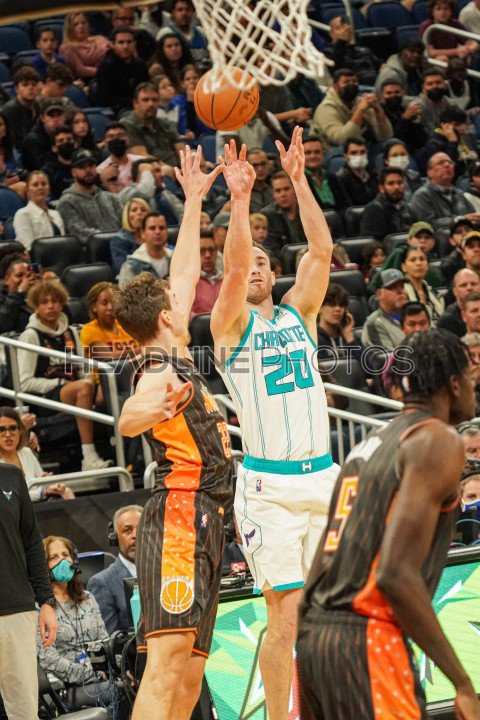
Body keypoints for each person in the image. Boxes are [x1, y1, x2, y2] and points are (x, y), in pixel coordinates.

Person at [212, 128, 339, 720]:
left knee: (334, 610)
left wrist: (298, 179)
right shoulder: (230, 327)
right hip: (270, 488)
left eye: (265, 261)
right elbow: (234, 267)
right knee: (283, 614)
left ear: (276, 272)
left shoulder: (299, 314)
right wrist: (239, 201)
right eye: (249, 263)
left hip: (325, 478)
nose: (255, 268)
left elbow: (322, 250)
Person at [297, 328, 480, 720]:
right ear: (453, 383)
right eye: (470, 377)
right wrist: (463, 683)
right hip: (368, 637)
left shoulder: (366, 446)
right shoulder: (438, 440)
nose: (472, 388)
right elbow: (395, 574)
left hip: (316, 637)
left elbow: (317, 572)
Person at [114, 146, 233, 719]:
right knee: (165, 666)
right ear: (166, 317)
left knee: (189, 673)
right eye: (175, 303)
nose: (183, 298)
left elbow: (182, 270)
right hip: (180, 515)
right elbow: (127, 417)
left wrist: (193, 202)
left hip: (208, 516)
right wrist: (151, 408)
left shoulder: (175, 350)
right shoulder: (158, 369)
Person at [18, 279, 112, 471]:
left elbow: (84, 368)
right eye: (44, 302)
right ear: (35, 306)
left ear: (62, 303)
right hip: (45, 397)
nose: (50, 306)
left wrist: (89, 379)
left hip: (75, 390)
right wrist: (59, 382)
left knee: (105, 385)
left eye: (55, 301)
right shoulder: (31, 336)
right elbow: (24, 382)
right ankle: (89, 457)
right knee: (84, 387)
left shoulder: (71, 332)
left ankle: (123, 453)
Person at [39, 535, 125, 713]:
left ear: (74, 560)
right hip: (63, 689)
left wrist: (119, 667)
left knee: (133, 682)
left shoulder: (87, 598)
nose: (62, 561)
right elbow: (49, 660)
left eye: (65, 555)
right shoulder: (41, 609)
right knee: (121, 691)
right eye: (54, 557)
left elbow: (103, 641)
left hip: (98, 679)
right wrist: (93, 674)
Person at [0, 462, 57, 719]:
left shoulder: (11, 476)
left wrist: (46, 600)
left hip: (16, 609)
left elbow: (32, 541)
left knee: (24, 711)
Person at [0, 405, 75, 502]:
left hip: (35, 505)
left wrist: (50, 483)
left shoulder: (26, 452)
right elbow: (9, 498)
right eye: (1, 430)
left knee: (65, 492)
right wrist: (43, 492)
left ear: (20, 431)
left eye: (13, 428)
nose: (8, 434)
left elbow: (42, 484)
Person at [88, 505, 143, 633]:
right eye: (127, 530)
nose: (135, 535)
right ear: (115, 538)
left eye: (141, 528)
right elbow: (111, 639)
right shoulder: (101, 582)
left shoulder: (163, 573)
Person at [311, 68, 392, 152]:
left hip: (360, 148)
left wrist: (378, 109)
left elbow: (386, 136)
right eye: (346, 82)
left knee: (390, 145)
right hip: (331, 151)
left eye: (354, 81)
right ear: (335, 86)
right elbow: (342, 140)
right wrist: (359, 111)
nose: (351, 85)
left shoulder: (361, 102)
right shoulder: (326, 108)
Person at [57, 149, 122, 245]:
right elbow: (80, 232)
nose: (88, 170)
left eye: (91, 165)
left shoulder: (110, 198)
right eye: (82, 167)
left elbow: (125, 224)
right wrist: (117, 238)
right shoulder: (67, 202)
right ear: (73, 172)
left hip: (120, 247)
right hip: (91, 251)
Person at [121, 82, 184, 171]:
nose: (151, 104)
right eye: (145, 100)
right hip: (155, 172)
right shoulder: (127, 125)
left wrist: (190, 164)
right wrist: (173, 171)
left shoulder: (165, 123)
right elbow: (141, 156)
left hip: (178, 171)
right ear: (135, 103)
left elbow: (181, 149)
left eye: (154, 100)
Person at [410, 152, 476, 224]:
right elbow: (428, 223)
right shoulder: (421, 196)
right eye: (441, 163)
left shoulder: (459, 193)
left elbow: (472, 215)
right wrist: (460, 220)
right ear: (430, 172)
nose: (447, 165)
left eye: (450, 162)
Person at [95, 26, 149, 114]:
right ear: (113, 44)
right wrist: (134, 102)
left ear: (134, 43)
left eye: (129, 42)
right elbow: (105, 99)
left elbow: (147, 89)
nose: (125, 46)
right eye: (121, 42)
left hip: (141, 107)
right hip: (118, 112)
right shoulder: (106, 67)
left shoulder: (141, 65)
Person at [361, 268, 407, 362]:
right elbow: (389, 362)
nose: (400, 291)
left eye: (402, 286)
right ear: (379, 294)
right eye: (392, 288)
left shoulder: (417, 314)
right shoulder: (374, 324)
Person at [13, 171, 65, 252]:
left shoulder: (56, 214)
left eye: (44, 184)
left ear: (49, 188)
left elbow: (64, 242)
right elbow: (28, 247)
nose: (40, 187)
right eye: (35, 185)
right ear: (27, 189)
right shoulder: (22, 214)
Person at [118, 211, 172, 287]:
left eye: (162, 228)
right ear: (142, 233)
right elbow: (124, 294)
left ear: (167, 232)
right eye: (152, 228)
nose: (157, 232)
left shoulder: (175, 259)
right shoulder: (130, 267)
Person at [323, 15, 380, 86]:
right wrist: (342, 41)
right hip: (354, 87)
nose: (345, 30)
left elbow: (381, 66)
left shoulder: (364, 50)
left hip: (376, 85)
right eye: (339, 28)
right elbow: (334, 69)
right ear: (331, 34)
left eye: (346, 27)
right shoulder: (328, 53)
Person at [359, 168, 414, 240]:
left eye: (400, 182)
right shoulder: (374, 209)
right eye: (391, 183)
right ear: (381, 188)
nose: (396, 187)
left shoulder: (406, 206)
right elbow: (372, 242)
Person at [261, 170, 308, 254]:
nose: (283, 194)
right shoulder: (266, 216)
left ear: (295, 189)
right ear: (273, 194)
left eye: (286, 189)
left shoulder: (308, 211)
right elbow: (269, 250)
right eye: (278, 191)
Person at [317, 282, 364, 365]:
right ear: (319, 308)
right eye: (332, 305)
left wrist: (349, 337)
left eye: (341, 305)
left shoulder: (351, 337)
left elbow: (368, 368)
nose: (338, 309)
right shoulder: (313, 339)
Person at [302, 135, 349, 213]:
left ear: (323, 154)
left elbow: (346, 206)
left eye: (317, 152)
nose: (313, 156)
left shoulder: (332, 177)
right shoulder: (296, 181)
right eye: (308, 153)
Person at [59, 12, 111, 80]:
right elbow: (80, 70)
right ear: (69, 28)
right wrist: (105, 72)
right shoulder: (66, 47)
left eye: (84, 23)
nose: (81, 26)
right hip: (88, 80)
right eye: (76, 24)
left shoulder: (99, 39)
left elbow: (115, 51)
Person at [379, 82, 427, 154]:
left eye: (397, 92)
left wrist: (415, 120)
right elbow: (392, 140)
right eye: (389, 93)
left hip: (412, 150)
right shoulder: (380, 112)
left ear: (403, 93)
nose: (393, 95)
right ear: (382, 95)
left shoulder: (405, 110)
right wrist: (405, 119)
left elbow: (421, 139)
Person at [21, 98, 67, 172]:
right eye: (51, 115)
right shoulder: (33, 140)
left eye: (59, 115)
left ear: (64, 117)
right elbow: (44, 167)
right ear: (42, 118)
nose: (55, 119)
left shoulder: (68, 134)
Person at [97, 123, 145, 192]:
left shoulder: (142, 162)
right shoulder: (100, 171)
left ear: (127, 139)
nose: (116, 139)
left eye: (120, 135)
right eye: (111, 136)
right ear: (105, 142)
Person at [401, 245, 445, 320]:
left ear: (427, 265)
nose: (418, 263)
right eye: (413, 260)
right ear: (404, 267)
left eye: (422, 259)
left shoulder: (436, 294)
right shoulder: (401, 294)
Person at [1, 66, 39, 151]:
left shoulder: (37, 105)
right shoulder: (10, 110)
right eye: (25, 85)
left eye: (33, 84)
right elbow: (17, 144)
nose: (30, 88)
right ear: (17, 89)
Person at [110, 197, 151, 275]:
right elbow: (122, 268)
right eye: (134, 210)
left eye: (143, 210)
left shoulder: (155, 234)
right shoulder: (118, 239)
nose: (139, 213)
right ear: (127, 216)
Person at [336, 137, 378, 206]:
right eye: (354, 153)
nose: (359, 156)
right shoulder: (340, 180)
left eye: (362, 152)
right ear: (345, 156)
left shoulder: (375, 176)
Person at [438, 267, 480, 336]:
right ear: (455, 291)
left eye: (473, 284)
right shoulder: (447, 321)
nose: (469, 288)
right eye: (463, 285)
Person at [190, 231, 223, 318]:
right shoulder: (188, 283)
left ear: (217, 252)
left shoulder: (227, 281)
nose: (208, 255)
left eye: (211, 250)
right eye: (202, 251)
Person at [41, 125, 75, 201]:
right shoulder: (48, 172)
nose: (66, 142)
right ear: (54, 148)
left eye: (69, 139)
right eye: (61, 141)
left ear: (75, 144)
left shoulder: (83, 166)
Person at [246, 148, 273, 213]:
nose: (260, 169)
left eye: (263, 164)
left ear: (269, 164)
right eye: (254, 165)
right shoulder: (237, 193)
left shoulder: (276, 188)